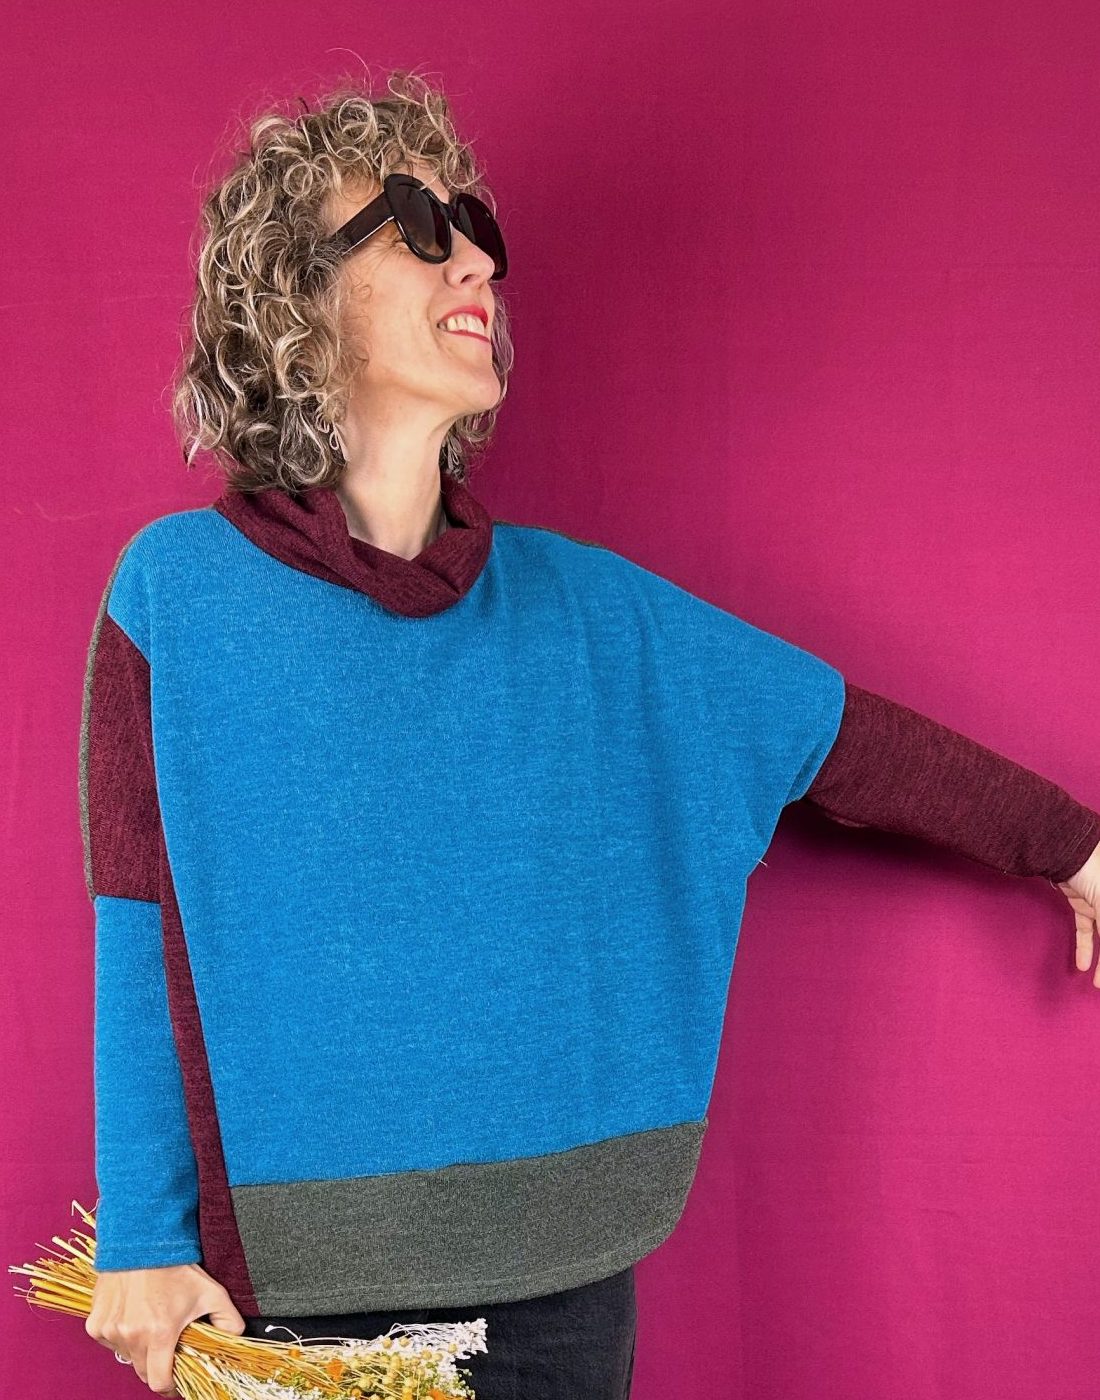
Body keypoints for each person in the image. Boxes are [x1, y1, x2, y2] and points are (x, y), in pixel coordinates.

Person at [79, 73, 1100, 1400]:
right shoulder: (177, 595)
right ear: (294, 301)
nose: (477, 261)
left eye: (478, 229)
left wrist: (1072, 846)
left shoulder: (588, 613)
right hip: (291, 1308)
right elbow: (137, 912)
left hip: (560, 1290)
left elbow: (835, 732)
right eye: (417, 225)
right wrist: (142, 1234)